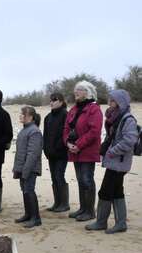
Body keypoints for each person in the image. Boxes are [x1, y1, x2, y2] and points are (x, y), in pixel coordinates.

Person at [86, 90, 139, 233]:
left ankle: (101, 222)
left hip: (119, 163)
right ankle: (120, 223)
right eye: (110, 100)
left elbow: (129, 141)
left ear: (121, 102)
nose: (110, 102)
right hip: (115, 162)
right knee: (116, 192)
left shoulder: (127, 119)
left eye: (113, 100)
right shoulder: (115, 117)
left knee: (105, 192)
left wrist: (112, 151)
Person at [64, 81, 103, 222]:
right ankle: (83, 208)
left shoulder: (94, 109)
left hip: (87, 150)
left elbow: (94, 131)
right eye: (75, 89)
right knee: (80, 180)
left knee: (87, 179)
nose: (76, 92)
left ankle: (90, 211)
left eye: (80, 89)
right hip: (74, 151)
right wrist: (67, 143)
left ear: (88, 92)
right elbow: (66, 129)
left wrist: (79, 145)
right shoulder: (73, 110)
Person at [13, 106, 43, 228]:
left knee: (29, 190)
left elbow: (33, 154)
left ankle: (36, 218)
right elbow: (20, 152)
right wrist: (17, 168)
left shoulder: (34, 131)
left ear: (29, 117)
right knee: (25, 191)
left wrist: (26, 170)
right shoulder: (24, 130)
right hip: (22, 167)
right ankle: (28, 214)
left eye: (22, 114)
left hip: (30, 168)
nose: (20, 116)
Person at [43, 92, 70, 212]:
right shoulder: (48, 117)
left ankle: (64, 203)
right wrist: (46, 149)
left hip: (61, 153)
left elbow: (66, 134)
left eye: (54, 100)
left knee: (59, 176)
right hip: (50, 154)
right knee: (54, 177)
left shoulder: (66, 115)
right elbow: (46, 135)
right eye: (51, 100)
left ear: (61, 101)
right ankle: (57, 202)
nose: (51, 102)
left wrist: (58, 147)